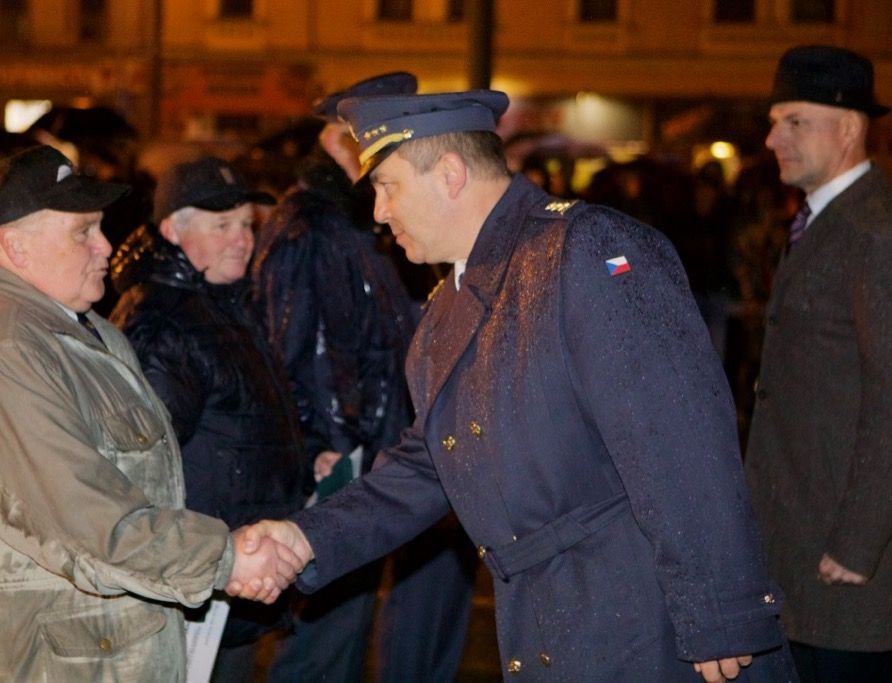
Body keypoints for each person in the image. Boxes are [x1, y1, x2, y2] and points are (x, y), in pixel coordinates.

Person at [238, 90, 799, 682]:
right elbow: (428, 466)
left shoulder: (585, 251)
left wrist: (723, 612)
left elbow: (680, 440)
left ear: (450, 174)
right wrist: (305, 536)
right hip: (546, 623)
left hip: (647, 623)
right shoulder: (444, 310)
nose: (377, 212)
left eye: (387, 186)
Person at [0, 145, 295, 682]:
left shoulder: (70, 326)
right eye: (82, 232)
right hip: (37, 660)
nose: (106, 247)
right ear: (16, 247)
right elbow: (88, 524)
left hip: (86, 649)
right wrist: (225, 558)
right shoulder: (6, 351)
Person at [251, 71, 477, 683]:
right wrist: (324, 445)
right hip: (351, 458)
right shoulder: (310, 225)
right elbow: (295, 348)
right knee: (329, 634)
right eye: (365, 138)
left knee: (415, 625)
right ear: (335, 140)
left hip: (406, 447)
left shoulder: (372, 221)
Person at [743, 45, 892, 683]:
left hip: (845, 572)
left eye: (793, 121)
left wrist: (858, 543)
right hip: (801, 555)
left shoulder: (882, 232)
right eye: (774, 120)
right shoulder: (826, 222)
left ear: (848, 128)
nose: (772, 137)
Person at [108, 155, 311, 682]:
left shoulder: (221, 302)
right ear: (174, 230)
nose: (242, 238)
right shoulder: (162, 321)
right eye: (222, 225)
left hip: (224, 587)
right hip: (192, 592)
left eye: (246, 224)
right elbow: (137, 472)